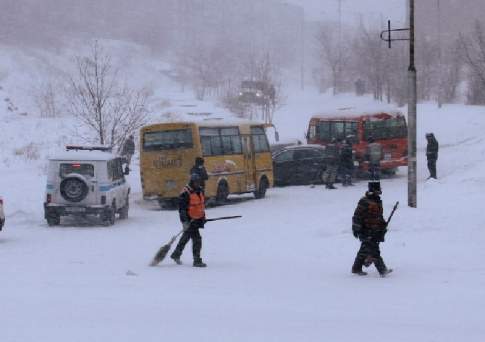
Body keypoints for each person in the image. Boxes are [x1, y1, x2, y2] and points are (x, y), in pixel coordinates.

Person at [351, 181, 392, 277]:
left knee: (364, 249)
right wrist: (356, 229)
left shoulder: (377, 201)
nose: (380, 192)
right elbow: (357, 216)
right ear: (373, 190)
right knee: (374, 251)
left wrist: (382, 225)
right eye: (378, 190)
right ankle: (382, 270)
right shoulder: (364, 202)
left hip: (375, 231)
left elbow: (379, 216)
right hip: (366, 231)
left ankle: (356, 268)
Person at [170, 173, 207, 268]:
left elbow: (201, 205)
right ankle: (197, 260)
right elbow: (182, 209)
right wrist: (185, 222)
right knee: (197, 239)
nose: (197, 183)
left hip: (197, 219)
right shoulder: (185, 192)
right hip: (189, 220)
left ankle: (176, 254)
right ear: (192, 181)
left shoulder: (200, 190)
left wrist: (203, 217)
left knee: (186, 237)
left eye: (199, 182)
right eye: (196, 182)